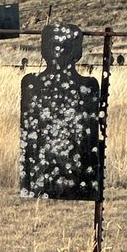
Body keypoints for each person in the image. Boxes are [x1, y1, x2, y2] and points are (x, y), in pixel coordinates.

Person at [20, 23, 102, 199]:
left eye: (65, 47)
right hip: (58, 172)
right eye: (56, 46)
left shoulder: (32, 83)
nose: (60, 52)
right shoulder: (88, 86)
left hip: (56, 173)